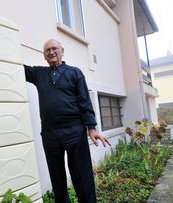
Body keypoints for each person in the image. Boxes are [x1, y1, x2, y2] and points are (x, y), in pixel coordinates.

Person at [24, 39, 111, 203]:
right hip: (50, 134)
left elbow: (85, 101)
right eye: (47, 50)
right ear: (44, 56)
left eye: (54, 48)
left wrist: (91, 128)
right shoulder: (39, 74)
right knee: (57, 177)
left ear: (62, 51)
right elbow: (18, 69)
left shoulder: (74, 72)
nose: (51, 52)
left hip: (74, 131)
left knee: (82, 175)